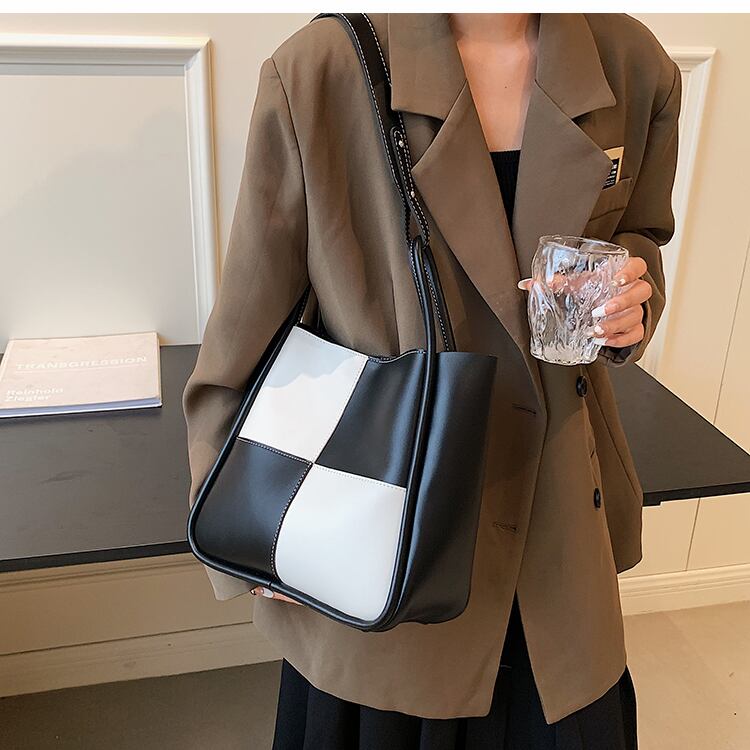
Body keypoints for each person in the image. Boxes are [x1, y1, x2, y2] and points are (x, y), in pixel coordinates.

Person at [182, 12, 681, 749]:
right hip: (383, 523)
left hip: (558, 527)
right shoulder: (319, 71)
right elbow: (247, 326)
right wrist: (242, 525)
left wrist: (631, 303)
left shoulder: (633, 64)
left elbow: (642, 236)